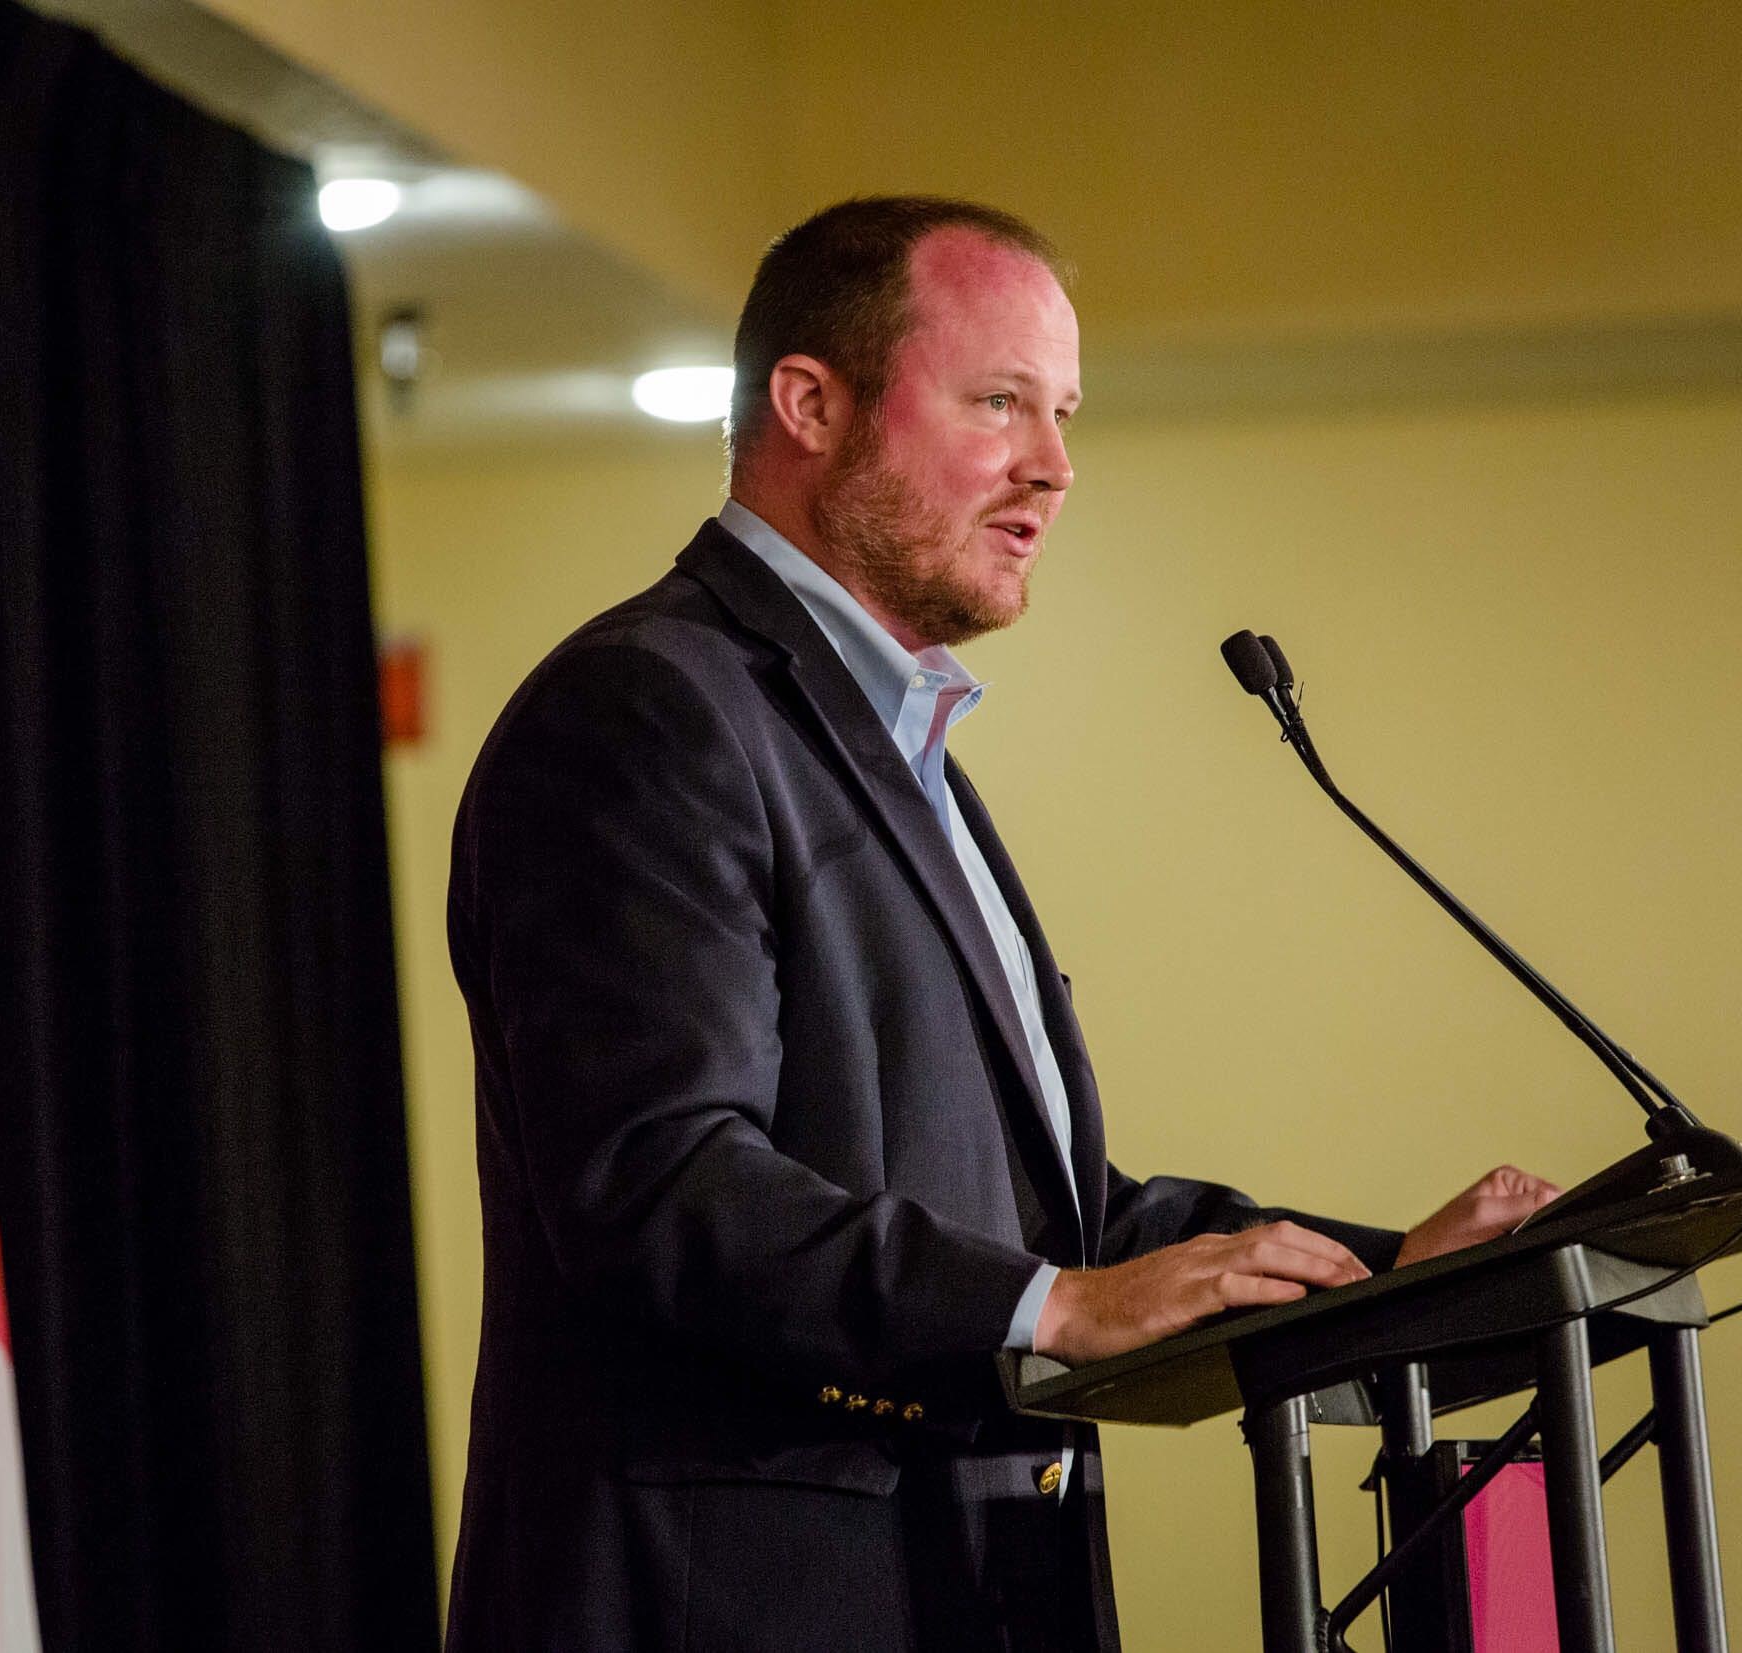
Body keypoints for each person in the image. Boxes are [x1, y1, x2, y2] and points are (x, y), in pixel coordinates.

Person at [444, 196, 1557, 1652]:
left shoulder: (900, 752)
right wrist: (1053, 1306)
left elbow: (1052, 1221)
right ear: (810, 404)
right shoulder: (650, 711)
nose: (1056, 465)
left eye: (1065, 412)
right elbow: (665, 1185)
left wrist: (1396, 1271)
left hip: (966, 1592)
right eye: (1000, 403)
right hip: (737, 1602)